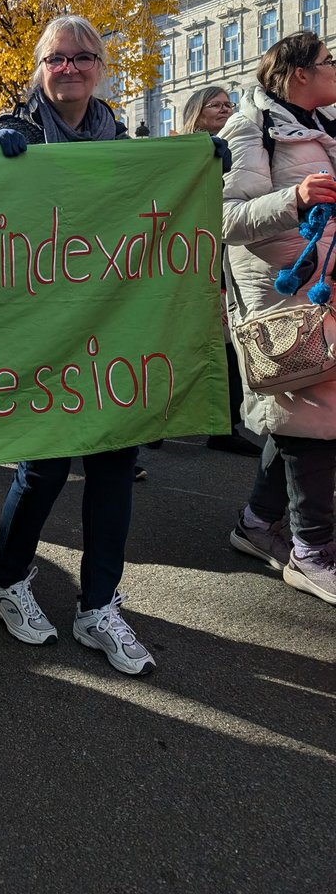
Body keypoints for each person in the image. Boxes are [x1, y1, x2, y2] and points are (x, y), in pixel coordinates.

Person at [0, 15, 156, 675]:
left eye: (84, 57)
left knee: (113, 465)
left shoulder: (125, 141)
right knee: (45, 465)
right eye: (57, 58)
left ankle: (99, 605)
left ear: (101, 66)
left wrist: (199, 160)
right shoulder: (16, 130)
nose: (71, 67)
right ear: (40, 69)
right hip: (39, 330)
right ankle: (7, 582)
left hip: (112, 327)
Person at [220, 31, 336, 603]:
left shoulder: (325, 126)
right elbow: (226, 217)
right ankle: (312, 552)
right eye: (326, 61)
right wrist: (295, 199)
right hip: (285, 300)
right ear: (296, 75)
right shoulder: (249, 127)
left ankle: (257, 522)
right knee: (313, 417)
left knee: (299, 414)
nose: (335, 68)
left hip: (326, 291)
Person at [180, 85, 261, 458]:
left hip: (223, 260)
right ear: (197, 113)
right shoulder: (178, 154)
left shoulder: (242, 144)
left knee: (225, 347)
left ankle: (224, 425)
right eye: (217, 104)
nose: (226, 109)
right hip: (185, 262)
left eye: (230, 104)